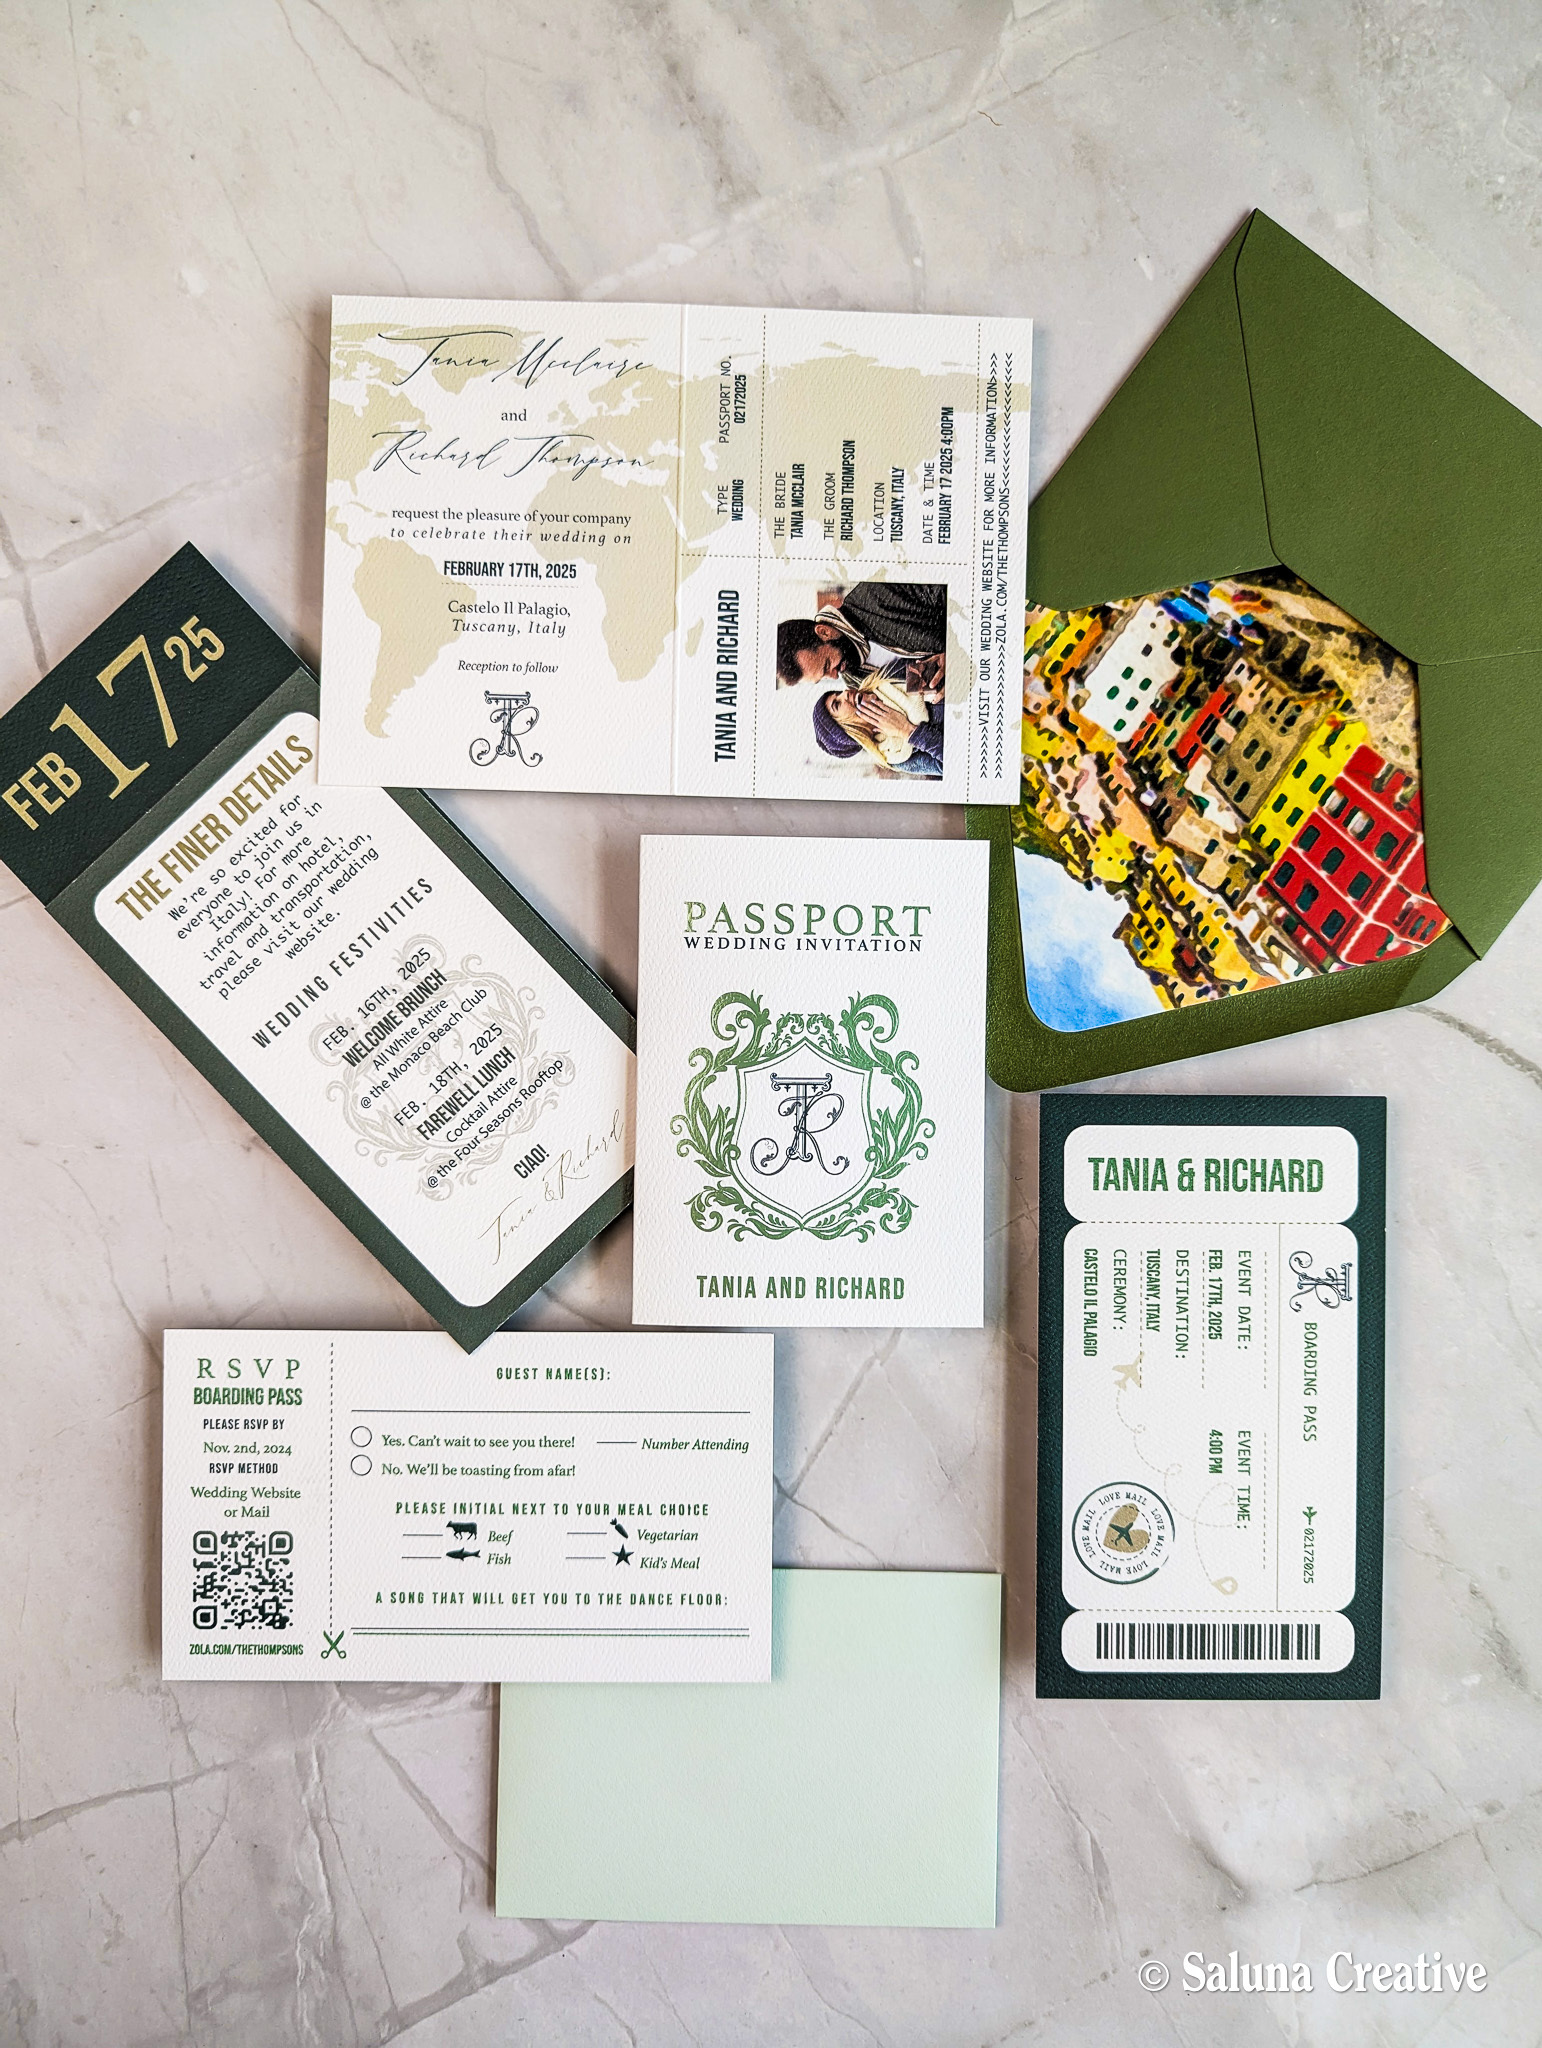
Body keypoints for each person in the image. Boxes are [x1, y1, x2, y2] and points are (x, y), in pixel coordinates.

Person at [774, 580, 948, 686]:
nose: (834, 676)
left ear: (824, 632)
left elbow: (954, 591)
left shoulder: (877, 592)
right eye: (824, 677)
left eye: (827, 666)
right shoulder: (856, 681)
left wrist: (954, 656)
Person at [811, 670, 944, 779]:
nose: (845, 693)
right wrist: (908, 731)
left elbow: (936, 668)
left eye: (838, 694)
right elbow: (952, 765)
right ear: (848, 730)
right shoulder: (894, 755)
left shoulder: (885, 678)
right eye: (837, 704)